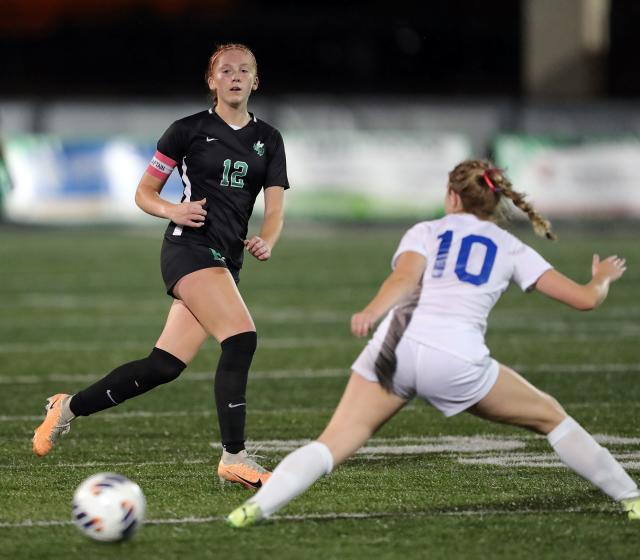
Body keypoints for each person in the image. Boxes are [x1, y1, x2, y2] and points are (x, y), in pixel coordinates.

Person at [227, 159, 640, 526]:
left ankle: (258, 508)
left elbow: (404, 279)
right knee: (552, 417)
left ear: (452, 196)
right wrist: (601, 278)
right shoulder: (511, 246)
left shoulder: (426, 230)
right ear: (493, 202)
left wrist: (372, 311)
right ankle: (632, 497)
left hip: (394, 350)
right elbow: (585, 300)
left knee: (331, 443)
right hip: (456, 359)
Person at [32, 43, 289, 489]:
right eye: (225, 70)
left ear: (255, 81)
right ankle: (234, 457)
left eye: (244, 70)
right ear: (211, 80)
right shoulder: (186, 131)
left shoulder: (269, 139)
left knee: (163, 366)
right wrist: (173, 209)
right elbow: (144, 193)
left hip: (224, 258)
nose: (234, 76)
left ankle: (66, 408)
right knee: (241, 337)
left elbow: (276, 208)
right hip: (188, 249)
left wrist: (267, 238)